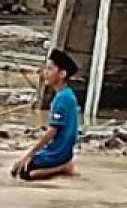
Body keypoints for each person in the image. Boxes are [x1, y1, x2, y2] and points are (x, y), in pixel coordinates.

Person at [12, 49, 80, 181]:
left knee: (24, 173)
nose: (45, 73)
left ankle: (64, 167)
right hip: (60, 150)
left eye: (50, 69)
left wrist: (30, 154)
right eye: (45, 69)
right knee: (17, 169)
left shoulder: (63, 98)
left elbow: (52, 131)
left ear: (62, 74)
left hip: (58, 153)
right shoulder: (66, 95)